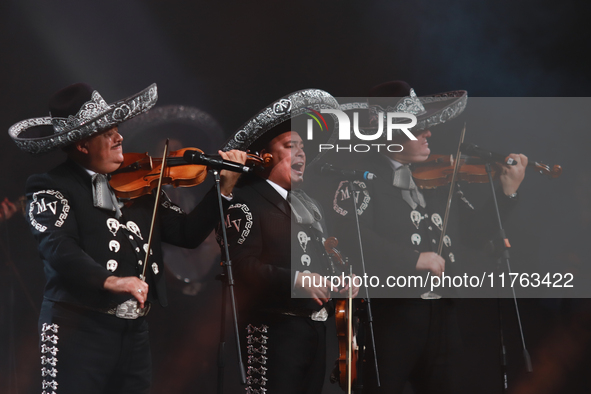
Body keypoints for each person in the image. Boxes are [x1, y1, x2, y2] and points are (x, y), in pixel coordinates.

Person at [8, 82, 246, 394]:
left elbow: (186, 234)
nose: (119, 137)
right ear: (81, 145)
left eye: (116, 128)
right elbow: (58, 247)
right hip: (78, 331)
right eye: (107, 133)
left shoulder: (140, 181)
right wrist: (112, 281)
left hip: (134, 332)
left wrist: (223, 189)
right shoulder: (49, 186)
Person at [324, 81, 528, 393]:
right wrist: (413, 259)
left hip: (442, 313)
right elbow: (350, 236)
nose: (428, 134)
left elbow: (474, 232)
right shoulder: (361, 176)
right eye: (418, 128)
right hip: (390, 315)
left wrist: (506, 193)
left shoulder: (438, 181)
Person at [220, 89, 358, 394]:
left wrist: (338, 283)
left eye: (303, 147)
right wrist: (296, 279)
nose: (301, 153)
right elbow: (241, 267)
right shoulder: (246, 202)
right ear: (265, 156)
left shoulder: (310, 205)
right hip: (274, 329)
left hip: (313, 330)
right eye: (289, 145)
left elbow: (317, 262)